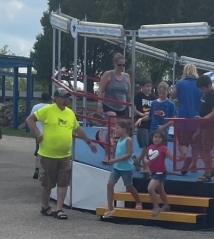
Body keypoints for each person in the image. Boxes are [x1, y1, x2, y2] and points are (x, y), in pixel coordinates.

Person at [26, 86, 97, 220]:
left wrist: (89, 142)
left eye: (68, 97)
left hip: (65, 155)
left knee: (63, 182)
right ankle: (45, 206)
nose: (66, 99)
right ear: (56, 98)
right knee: (47, 183)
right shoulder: (48, 110)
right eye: (64, 97)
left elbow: (78, 129)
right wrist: (38, 134)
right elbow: (30, 120)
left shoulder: (70, 113)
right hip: (48, 154)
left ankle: (59, 209)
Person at [102, 120, 143, 218]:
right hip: (117, 167)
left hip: (126, 168)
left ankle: (138, 201)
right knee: (109, 185)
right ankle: (110, 207)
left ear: (124, 129)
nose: (115, 130)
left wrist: (115, 160)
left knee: (129, 186)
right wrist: (113, 144)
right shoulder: (119, 140)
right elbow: (117, 152)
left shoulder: (128, 139)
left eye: (117, 128)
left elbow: (129, 154)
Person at [172, 64, 202, 174]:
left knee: (182, 142)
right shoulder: (199, 85)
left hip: (183, 118)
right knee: (195, 144)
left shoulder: (180, 83)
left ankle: (185, 156)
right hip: (197, 118)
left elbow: (172, 95)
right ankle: (194, 164)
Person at [141, 129, 173, 217]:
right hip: (154, 172)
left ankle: (156, 207)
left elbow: (172, 158)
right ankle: (166, 205)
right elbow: (145, 157)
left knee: (150, 188)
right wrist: (145, 160)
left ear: (163, 139)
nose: (157, 139)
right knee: (160, 190)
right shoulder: (150, 147)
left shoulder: (164, 148)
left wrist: (180, 159)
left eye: (159, 137)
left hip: (161, 172)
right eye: (155, 137)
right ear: (152, 138)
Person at [195, 74, 214, 183]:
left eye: (203, 88)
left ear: (209, 85)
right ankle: (209, 168)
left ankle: (207, 172)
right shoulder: (207, 95)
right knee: (198, 145)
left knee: (206, 149)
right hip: (204, 125)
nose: (202, 91)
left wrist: (204, 118)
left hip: (209, 126)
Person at [98, 53, 132, 117]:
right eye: (119, 65)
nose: (121, 67)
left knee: (122, 125)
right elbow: (101, 90)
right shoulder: (108, 74)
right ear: (115, 64)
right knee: (112, 117)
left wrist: (131, 104)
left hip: (122, 106)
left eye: (123, 65)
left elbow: (128, 93)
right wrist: (100, 105)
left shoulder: (127, 76)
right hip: (109, 105)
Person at [29, 90, 51, 180]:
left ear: (41, 98)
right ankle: (47, 171)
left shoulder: (35, 107)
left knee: (38, 152)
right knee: (49, 153)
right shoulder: (51, 108)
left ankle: (37, 170)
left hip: (38, 133)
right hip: (49, 133)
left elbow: (30, 119)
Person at [133, 79, 154, 151]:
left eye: (150, 86)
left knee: (150, 144)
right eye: (147, 86)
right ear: (142, 87)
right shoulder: (138, 96)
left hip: (150, 122)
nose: (149, 88)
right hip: (142, 122)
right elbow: (134, 108)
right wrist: (141, 114)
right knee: (145, 143)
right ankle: (142, 159)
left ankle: (139, 158)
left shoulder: (152, 98)